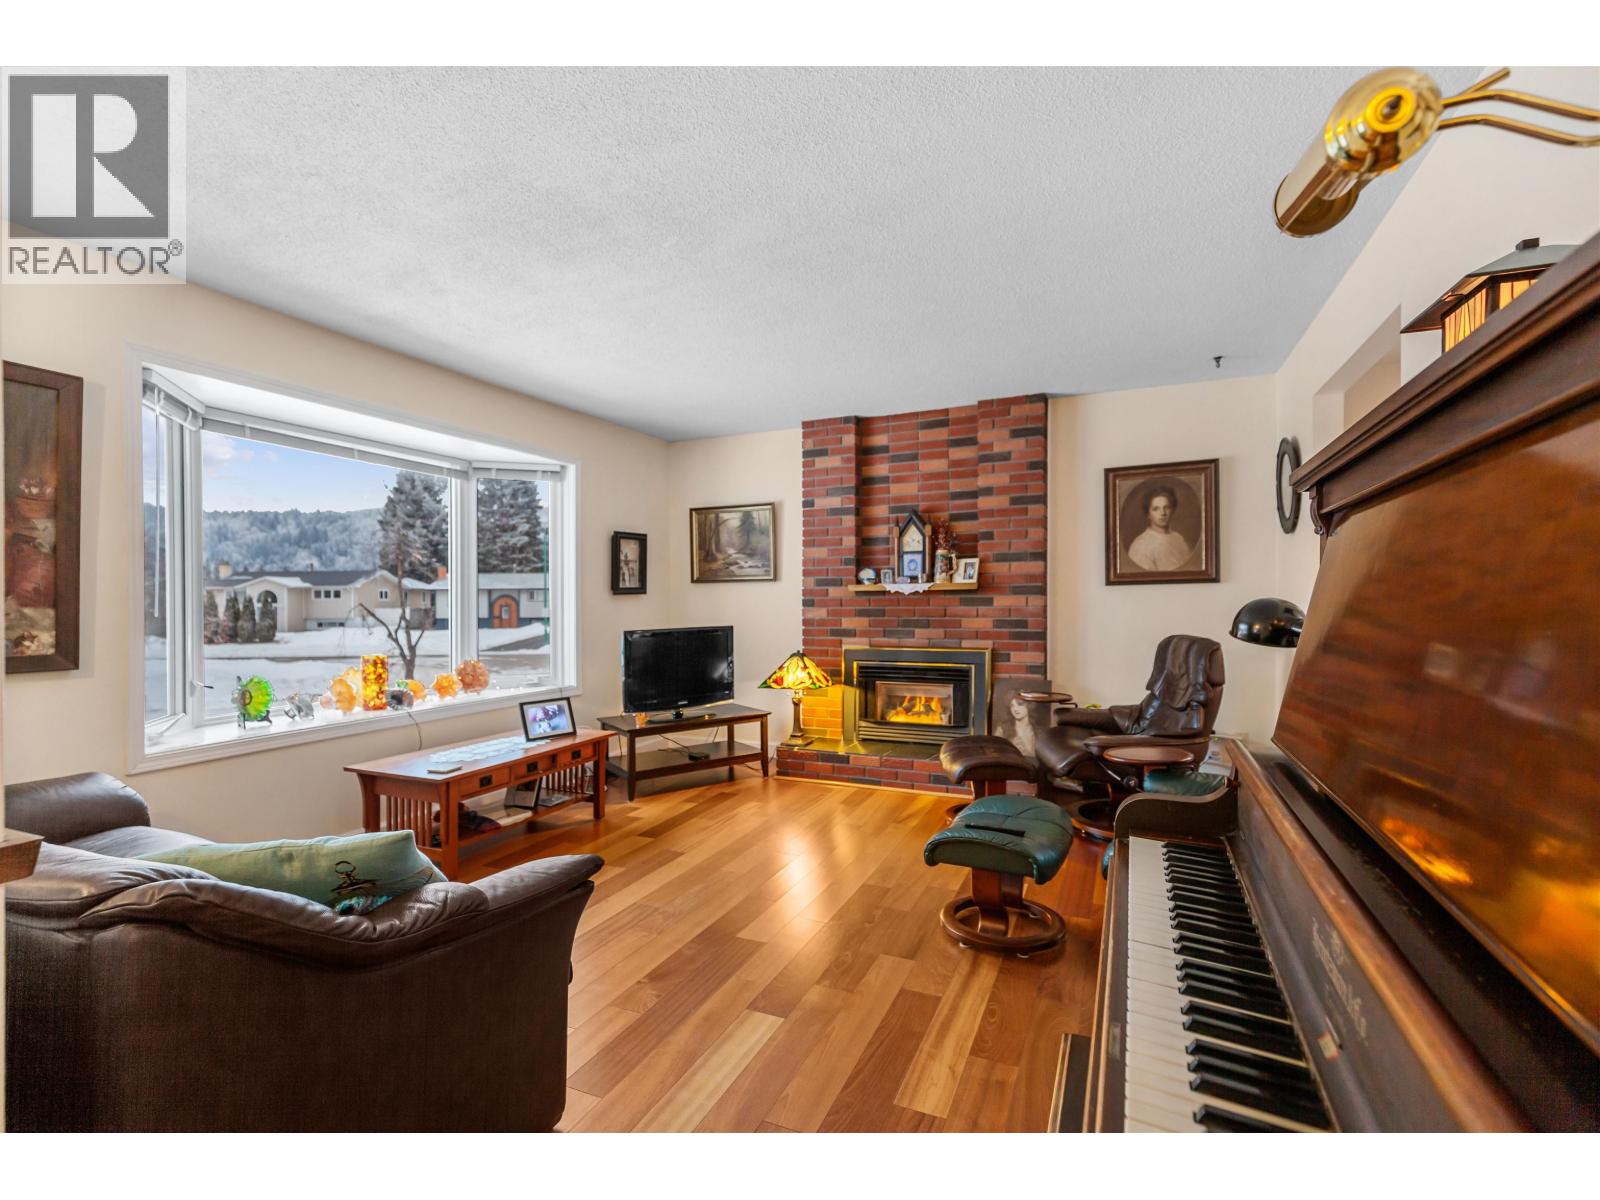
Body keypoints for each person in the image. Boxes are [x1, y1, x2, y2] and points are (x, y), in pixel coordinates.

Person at [1127, 484, 1193, 571]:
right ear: (1148, 514)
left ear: (1172, 510)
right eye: (1156, 509)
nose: (1163, 513)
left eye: (1166, 507)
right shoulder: (1140, 545)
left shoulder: (1179, 539)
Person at [1005, 693, 1037, 761]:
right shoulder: (1003, 729)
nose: (1015, 709)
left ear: (1029, 706)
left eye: (1019, 704)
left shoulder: (1038, 731)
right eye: (1012, 705)